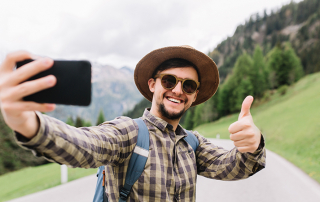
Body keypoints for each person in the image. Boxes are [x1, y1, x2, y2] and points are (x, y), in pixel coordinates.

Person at [0, 46, 265, 201]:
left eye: (189, 85)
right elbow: (83, 145)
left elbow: (232, 168)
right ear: (153, 85)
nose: (178, 90)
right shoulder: (129, 132)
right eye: (169, 80)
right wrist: (27, 122)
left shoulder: (193, 143)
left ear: (194, 95)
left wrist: (254, 145)